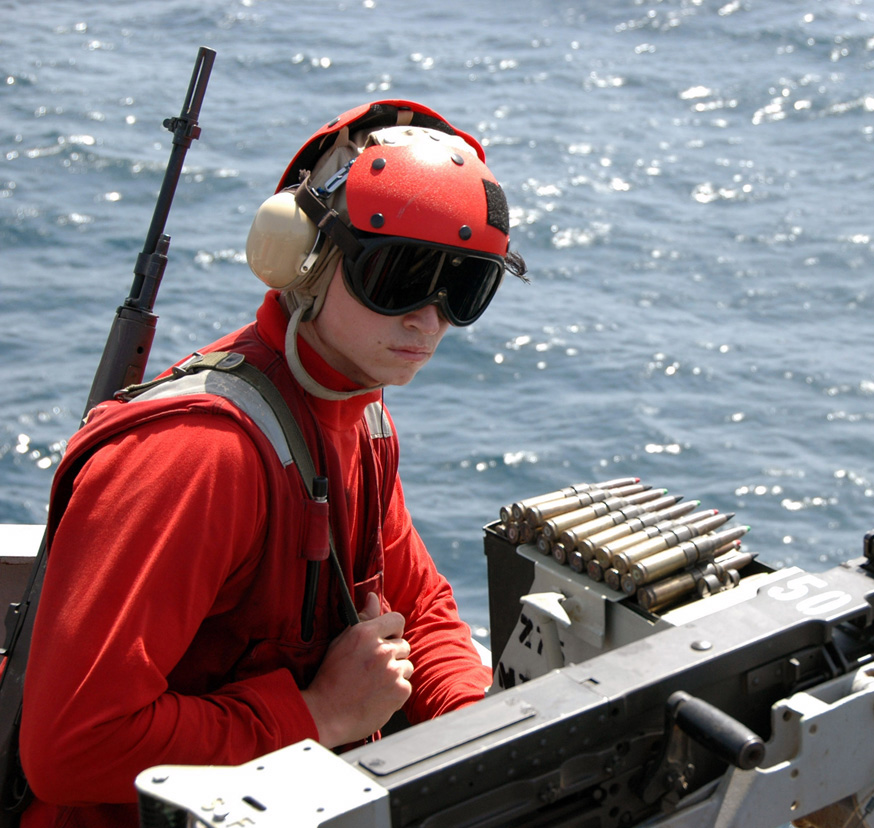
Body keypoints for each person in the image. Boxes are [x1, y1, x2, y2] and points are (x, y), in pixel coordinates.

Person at [18, 99, 523, 828]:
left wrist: (485, 733)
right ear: (306, 257)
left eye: (464, 285)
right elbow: (71, 747)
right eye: (400, 276)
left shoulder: (361, 414)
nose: (428, 319)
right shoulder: (197, 456)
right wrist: (317, 714)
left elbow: (421, 609)